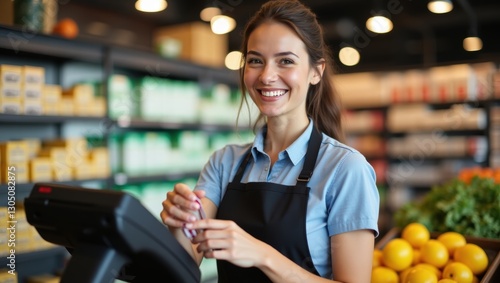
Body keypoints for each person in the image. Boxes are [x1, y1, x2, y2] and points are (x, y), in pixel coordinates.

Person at [160, 0, 380, 282]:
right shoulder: (224, 162)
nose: (266, 76)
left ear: (316, 71)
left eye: (285, 61)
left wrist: (263, 255)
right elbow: (186, 264)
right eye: (255, 61)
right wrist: (180, 223)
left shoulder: (345, 169)